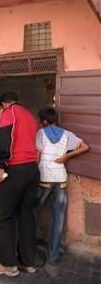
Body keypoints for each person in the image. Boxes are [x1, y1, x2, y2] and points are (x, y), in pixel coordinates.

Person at [0, 92, 39, 277]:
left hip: (15, 169)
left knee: (3, 216)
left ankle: (8, 264)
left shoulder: (10, 113)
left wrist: (1, 167)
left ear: (4, 104)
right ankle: (28, 263)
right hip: (32, 170)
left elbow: (5, 140)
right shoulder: (30, 115)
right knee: (26, 215)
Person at [36, 107, 89, 266]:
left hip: (44, 178)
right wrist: (65, 156)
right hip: (60, 178)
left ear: (44, 121)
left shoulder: (40, 133)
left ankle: (30, 248)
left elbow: (37, 157)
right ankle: (52, 256)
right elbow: (85, 147)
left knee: (32, 212)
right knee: (59, 217)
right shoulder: (67, 134)